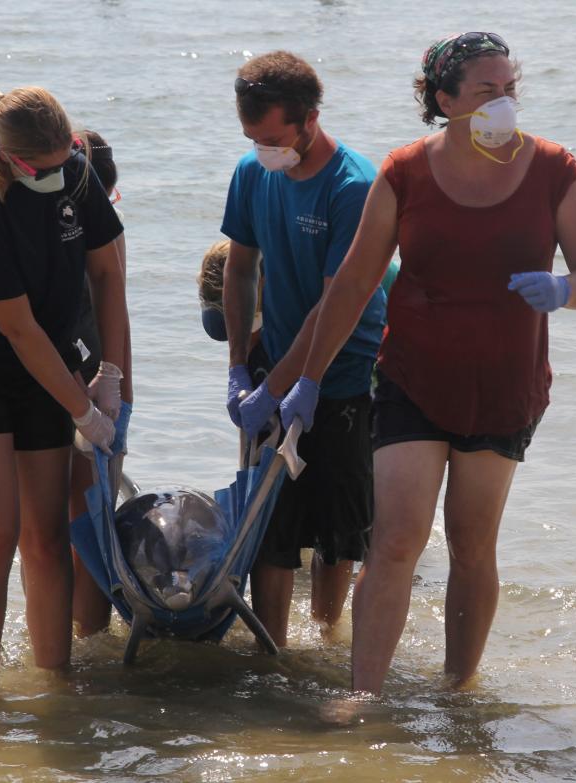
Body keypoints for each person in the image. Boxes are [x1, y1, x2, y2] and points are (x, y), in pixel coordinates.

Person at [275, 32, 576, 695]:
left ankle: (458, 688)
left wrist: (566, 290)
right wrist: (307, 379)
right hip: (413, 378)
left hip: (506, 386)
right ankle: (362, 697)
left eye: (510, 88)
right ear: (444, 100)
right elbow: (350, 285)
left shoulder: (553, 168)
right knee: (397, 537)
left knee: (470, 543)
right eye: (488, 90)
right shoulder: (404, 172)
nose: (504, 102)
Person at [0, 87, 129, 691]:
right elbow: (17, 329)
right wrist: (80, 410)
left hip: (51, 362)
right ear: (6, 155)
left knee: (47, 536)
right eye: (39, 169)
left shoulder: (76, 172)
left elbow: (106, 274)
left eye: (61, 161)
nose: (54, 176)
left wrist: (112, 379)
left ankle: (56, 682)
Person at [221, 50, 387, 647]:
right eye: (251, 137)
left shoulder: (354, 186)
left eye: (271, 137)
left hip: (341, 376)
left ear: (309, 118)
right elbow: (240, 270)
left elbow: (332, 305)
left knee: (337, 534)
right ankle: (272, 651)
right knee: (270, 526)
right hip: (274, 365)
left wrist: (285, 387)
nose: (263, 149)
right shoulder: (252, 171)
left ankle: (324, 639)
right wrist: (240, 367)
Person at [69, 130, 133, 636]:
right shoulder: (109, 229)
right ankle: (89, 638)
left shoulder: (66, 221)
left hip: (70, 381)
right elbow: (119, 323)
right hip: (91, 384)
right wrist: (120, 397)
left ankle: (77, 638)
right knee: (92, 525)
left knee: (58, 528)